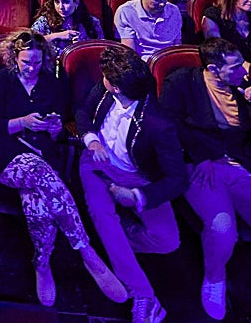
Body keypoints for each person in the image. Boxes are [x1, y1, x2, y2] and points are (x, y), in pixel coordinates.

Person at [0, 32, 126, 307]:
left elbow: (60, 129)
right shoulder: (3, 80)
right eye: (26, 62)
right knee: (40, 173)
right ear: (15, 58)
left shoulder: (52, 82)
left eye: (37, 62)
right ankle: (86, 251)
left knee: (36, 204)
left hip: (43, 152)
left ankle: (41, 262)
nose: (31, 68)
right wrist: (23, 122)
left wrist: (55, 128)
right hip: (8, 155)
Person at [159, 37, 251, 322]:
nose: (244, 72)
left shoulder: (243, 90)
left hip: (239, 166)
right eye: (235, 68)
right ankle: (214, 279)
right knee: (222, 228)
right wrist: (200, 155)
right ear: (213, 68)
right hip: (198, 165)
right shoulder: (182, 82)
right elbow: (168, 124)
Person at [75, 45, 187, 323]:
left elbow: (178, 179)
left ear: (116, 87)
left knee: (167, 241)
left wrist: (137, 195)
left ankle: (107, 241)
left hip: (136, 177)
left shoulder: (158, 124)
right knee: (104, 214)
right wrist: (92, 140)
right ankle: (144, 295)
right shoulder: (102, 91)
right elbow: (82, 113)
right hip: (96, 164)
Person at [113, 0, 182, 59]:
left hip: (170, 60)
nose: (162, 4)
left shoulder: (174, 10)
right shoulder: (126, 11)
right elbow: (129, 53)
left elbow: (177, 45)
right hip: (142, 62)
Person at [31, 0, 103, 54]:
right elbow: (29, 41)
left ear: (76, 3)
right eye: (57, 2)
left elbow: (101, 48)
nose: (61, 7)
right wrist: (56, 36)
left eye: (66, 2)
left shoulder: (92, 22)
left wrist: (82, 46)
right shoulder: (45, 20)